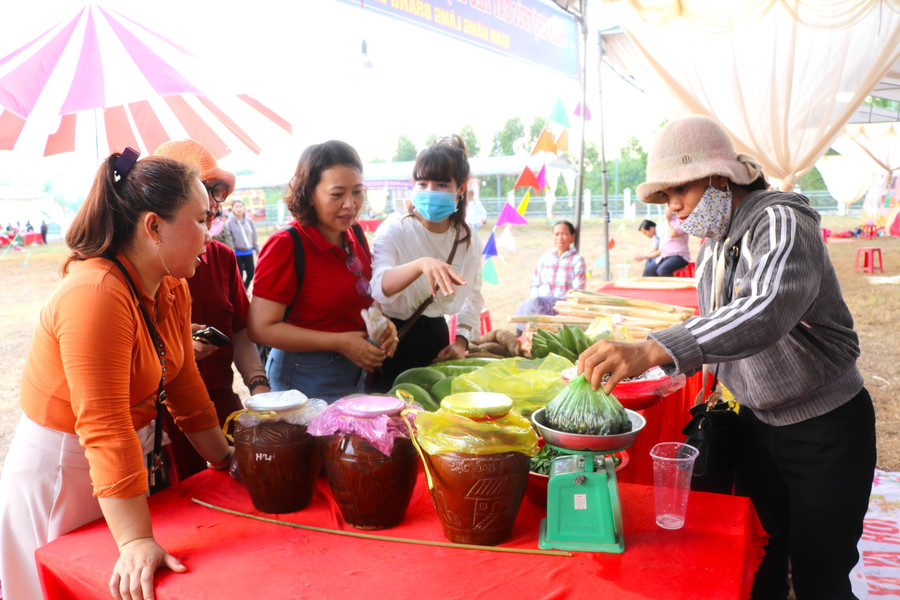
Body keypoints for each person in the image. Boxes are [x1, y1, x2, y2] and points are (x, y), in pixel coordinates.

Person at [578, 115, 875, 600]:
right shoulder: (715, 244)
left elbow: (765, 308)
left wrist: (656, 347)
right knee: (762, 558)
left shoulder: (781, 221)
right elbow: (721, 327)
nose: (673, 207)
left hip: (824, 429)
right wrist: (672, 371)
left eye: (680, 190)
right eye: (664, 198)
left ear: (720, 177)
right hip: (758, 426)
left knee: (822, 574)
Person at [0, 150, 233, 600]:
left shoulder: (171, 286)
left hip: (115, 472)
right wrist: (135, 539)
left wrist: (224, 459)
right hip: (65, 474)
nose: (210, 234)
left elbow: (183, 384)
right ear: (153, 226)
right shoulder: (96, 293)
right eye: (201, 220)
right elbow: (104, 424)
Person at [154, 139, 270, 481]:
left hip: (218, 403)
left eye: (213, 201)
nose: (210, 212)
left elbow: (239, 329)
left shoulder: (222, 258)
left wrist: (259, 385)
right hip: (160, 418)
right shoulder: (134, 275)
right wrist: (176, 354)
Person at [247, 141, 398, 402]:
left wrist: (385, 326)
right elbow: (260, 328)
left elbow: (364, 297)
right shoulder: (286, 244)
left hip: (355, 372)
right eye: (337, 195)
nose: (350, 205)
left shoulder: (356, 234)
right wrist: (340, 342)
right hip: (303, 378)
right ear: (309, 194)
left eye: (357, 192)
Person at [370, 134, 485, 391]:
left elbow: (473, 294)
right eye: (422, 183)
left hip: (436, 336)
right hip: (392, 338)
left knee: (430, 410)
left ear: (461, 188)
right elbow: (378, 286)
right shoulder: (394, 228)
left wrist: (461, 341)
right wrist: (421, 264)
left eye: (442, 184)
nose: (430, 191)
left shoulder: (466, 239)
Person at [528, 219, 586, 299]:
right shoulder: (544, 258)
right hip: (541, 304)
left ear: (573, 237)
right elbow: (535, 283)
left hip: (563, 306)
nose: (560, 238)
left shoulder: (577, 260)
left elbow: (578, 289)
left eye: (565, 234)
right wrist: (536, 300)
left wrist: (560, 304)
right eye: (556, 234)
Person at [643, 206, 690, 276]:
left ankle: (673, 287)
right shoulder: (670, 220)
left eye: (666, 209)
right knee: (649, 269)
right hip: (665, 255)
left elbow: (673, 234)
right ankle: (653, 287)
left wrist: (667, 220)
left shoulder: (681, 219)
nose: (664, 212)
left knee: (662, 270)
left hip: (678, 256)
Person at [225, 199, 259, 288]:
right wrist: (231, 251)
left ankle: (245, 287)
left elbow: (254, 235)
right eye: (236, 207)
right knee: (239, 275)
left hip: (249, 252)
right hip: (237, 253)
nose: (239, 209)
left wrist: (257, 249)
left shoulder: (249, 221)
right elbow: (229, 239)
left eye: (240, 206)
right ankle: (242, 291)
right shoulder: (229, 223)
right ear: (232, 209)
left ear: (244, 208)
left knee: (251, 273)